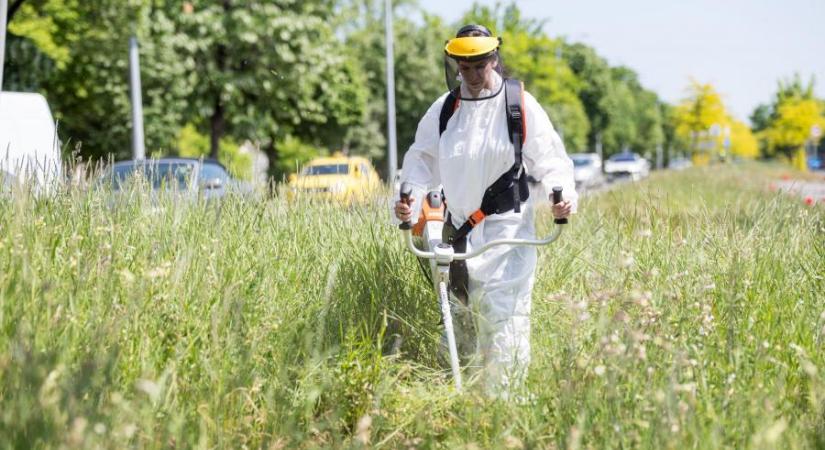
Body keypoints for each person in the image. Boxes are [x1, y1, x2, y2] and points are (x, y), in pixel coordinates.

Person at [393, 24, 577, 398]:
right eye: (466, 68)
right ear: (455, 66)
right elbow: (420, 160)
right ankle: (466, 408)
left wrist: (562, 197)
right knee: (462, 324)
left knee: (502, 320)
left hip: (507, 233)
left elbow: (553, 161)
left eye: (480, 66)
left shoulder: (518, 105)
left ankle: (504, 412)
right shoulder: (444, 110)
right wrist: (407, 200)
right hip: (456, 234)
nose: (474, 75)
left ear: (494, 58)